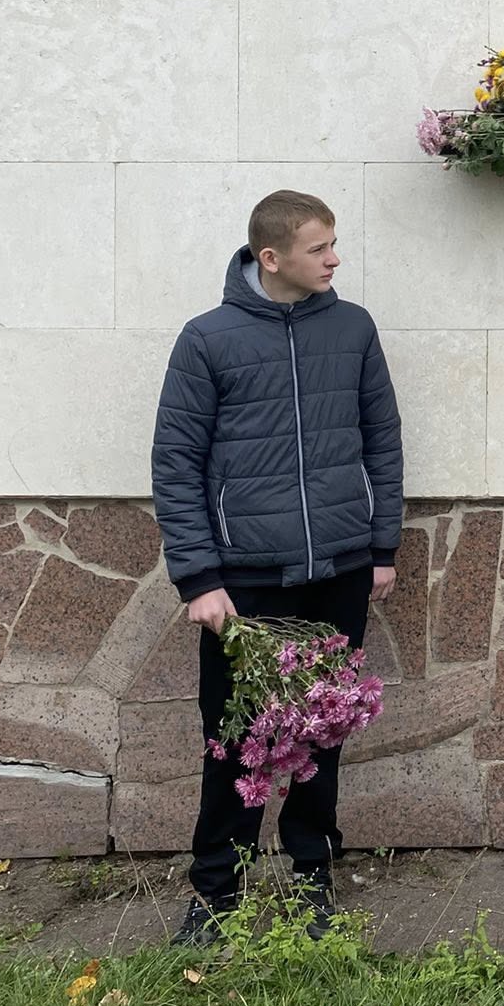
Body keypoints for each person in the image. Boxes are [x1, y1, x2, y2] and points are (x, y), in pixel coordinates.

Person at [149, 191, 404, 948]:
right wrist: (199, 579)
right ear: (272, 257)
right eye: (319, 248)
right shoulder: (207, 340)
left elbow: (382, 440)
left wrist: (381, 547)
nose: (335, 259)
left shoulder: (353, 329)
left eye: (334, 244)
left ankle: (311, 882)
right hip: (244, 579)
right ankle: (216, 896)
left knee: (322, 731)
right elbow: (176, 464)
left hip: (340, 567)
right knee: (237, 739)